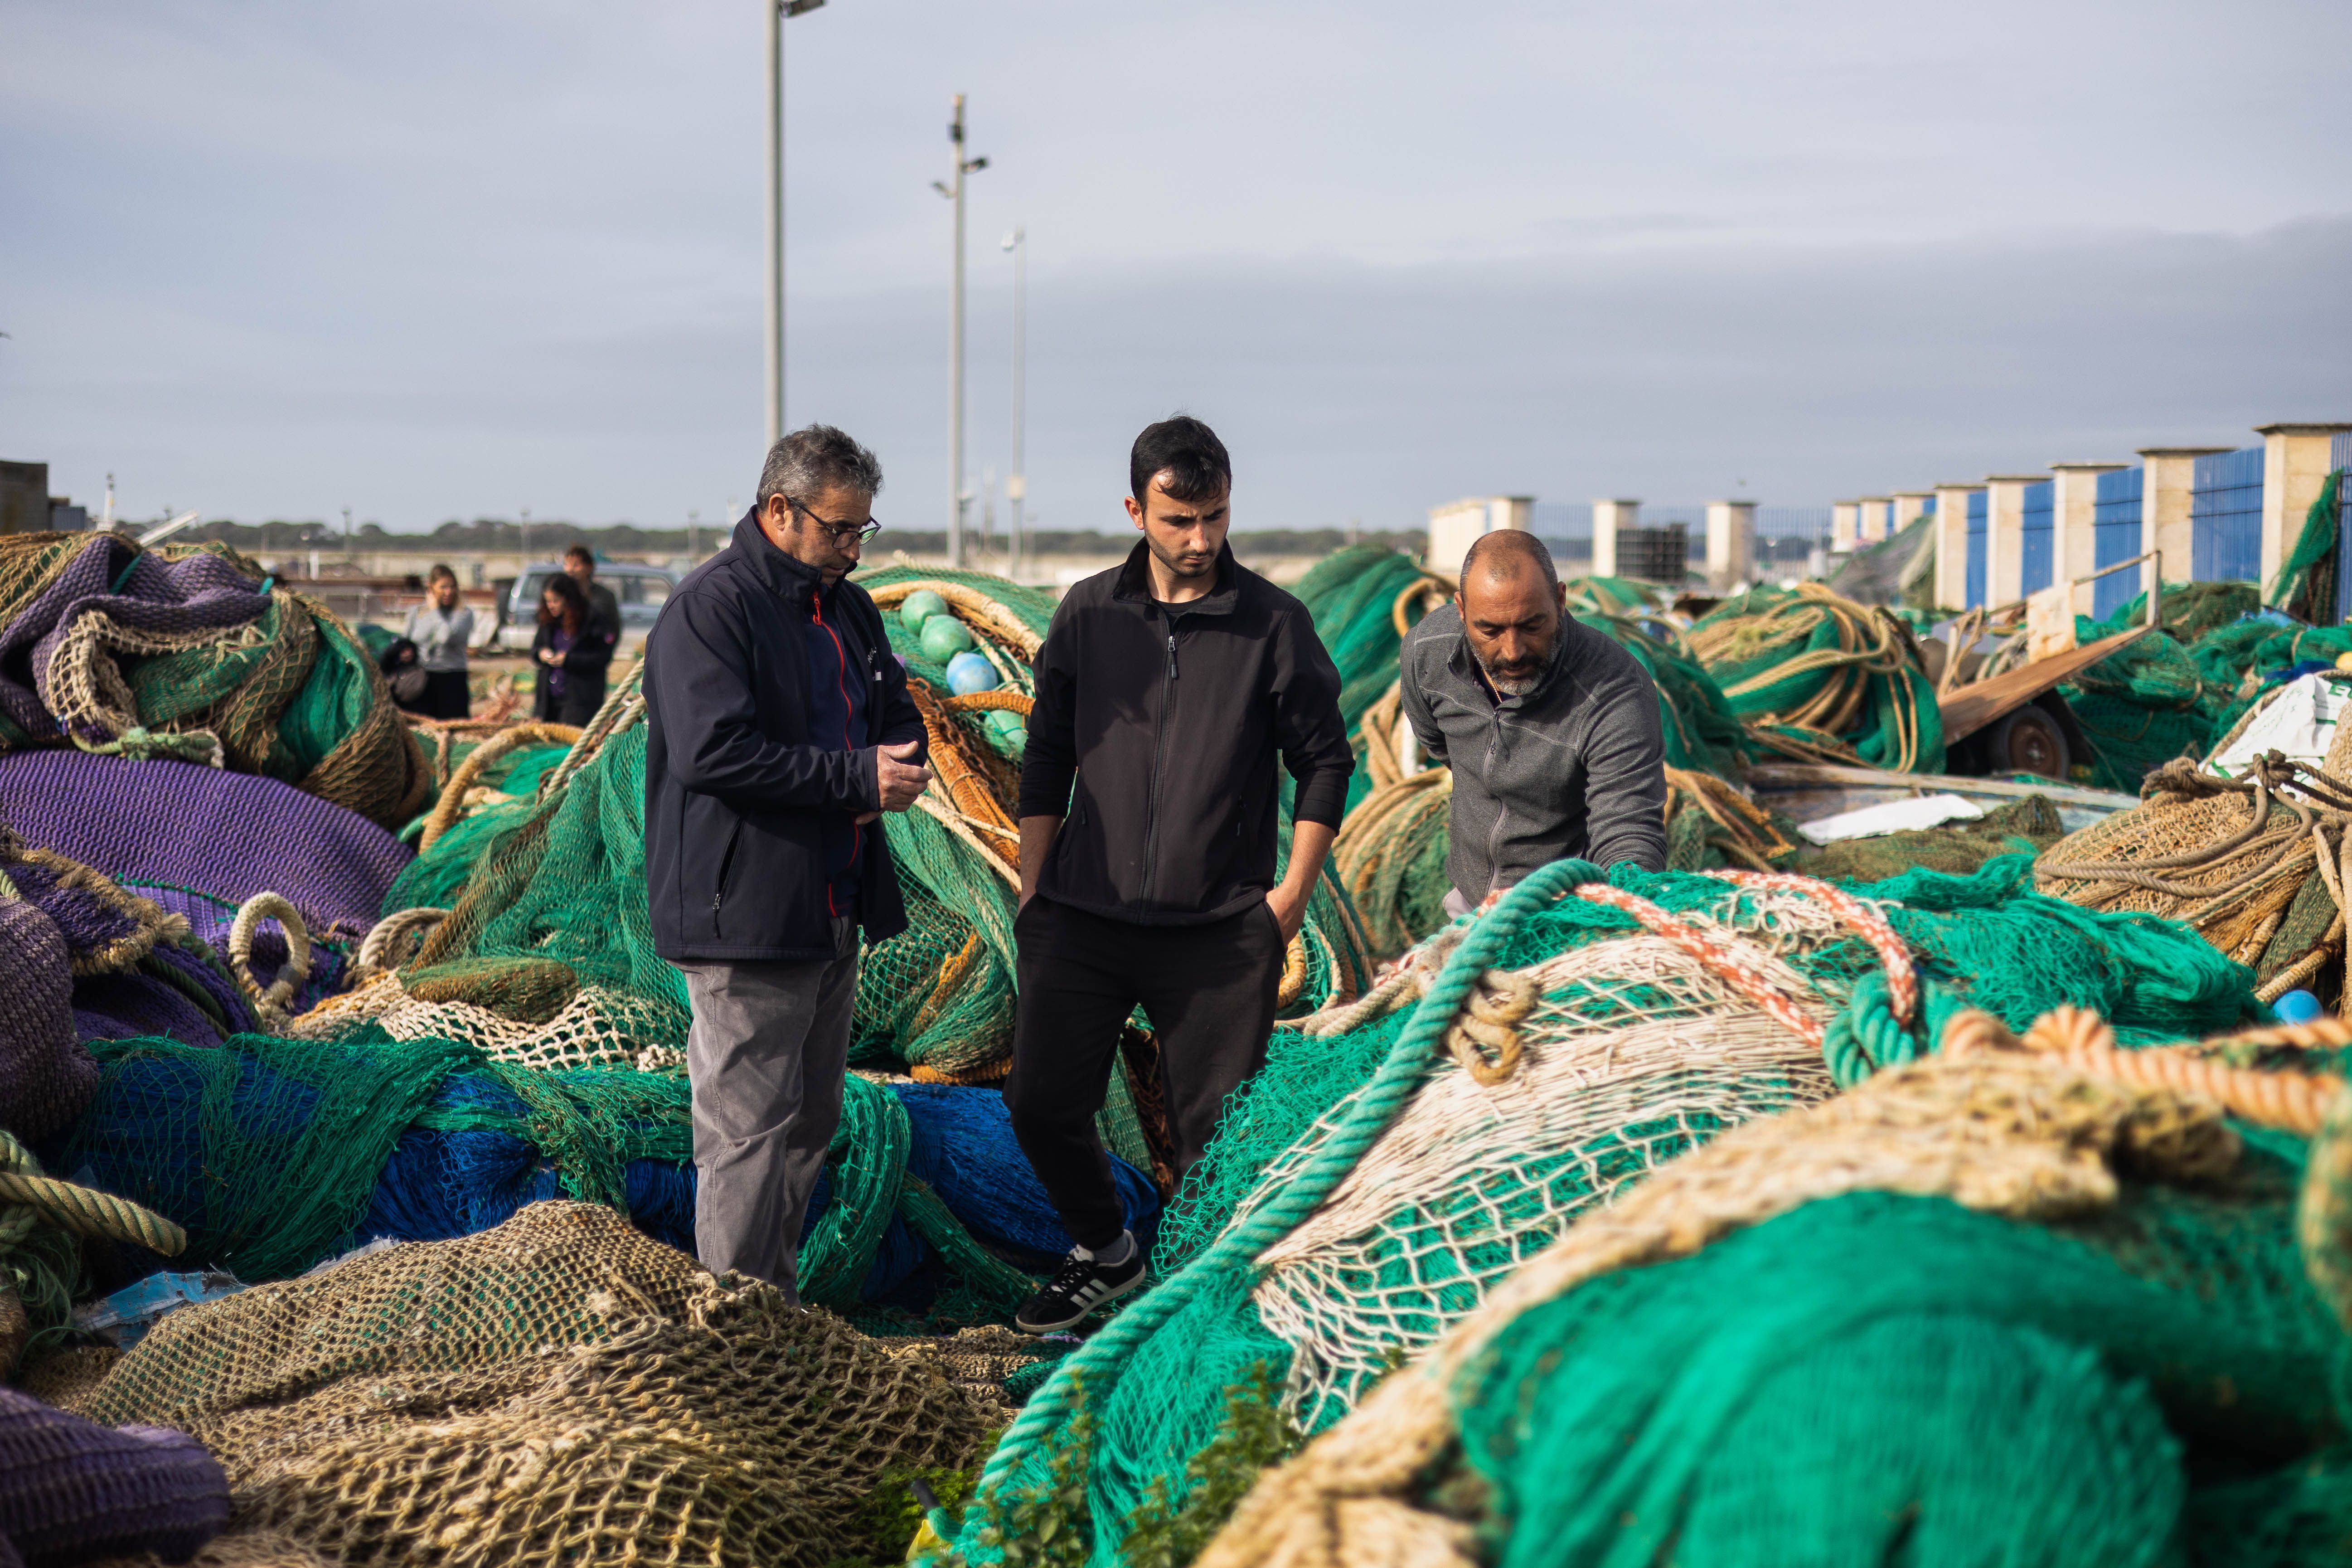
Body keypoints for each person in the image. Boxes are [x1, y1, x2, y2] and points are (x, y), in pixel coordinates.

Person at [1003, 415, 1353, 1334]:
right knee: (1038, 1102)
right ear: (1134, 510)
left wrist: (1291, 896)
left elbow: (1324, 761)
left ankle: (1198, 1322)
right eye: (1177, 520)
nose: (1199, 541)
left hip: (1216, 931)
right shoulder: (1085, 612)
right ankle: (1108, 1252)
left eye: (1214, 517)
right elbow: (1045, 754)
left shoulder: (1274, 623)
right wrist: (1033, 885)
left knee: (1216, 1145)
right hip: (1080, 913)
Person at [640, 424, 934, 1301]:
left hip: (830, 903)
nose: (852, 548)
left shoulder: (847, 607)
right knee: (743, 1133)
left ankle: (773, 1304)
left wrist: (901, 750)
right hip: (747, 916)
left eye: (862, 531)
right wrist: (856, 775)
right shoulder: (711, 608)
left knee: (809, 1121)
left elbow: (889, 702)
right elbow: (713, 753)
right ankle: (733, 1326)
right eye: (840, 529)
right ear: (779, 509)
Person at [1399, 530, 1667, 915]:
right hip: (1469, 902)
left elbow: (1627, 829)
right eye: (1489, 630)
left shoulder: (1614, 691)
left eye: (1531, 625)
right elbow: (1437, 743)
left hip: (1569, 912)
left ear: (1559, 600)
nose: (1512, 651)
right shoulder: (1426, 652)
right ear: (1460, 609)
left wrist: (1618, 914)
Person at [531, 573, 616, 724]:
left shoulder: (592, 620)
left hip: (579, 701)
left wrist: (569, 660)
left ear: (569, 599)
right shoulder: (548, 622)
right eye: (548, 601)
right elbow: (535, 648)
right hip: (549, 701)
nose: (551, 606)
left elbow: (603, 656)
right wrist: (541, 654)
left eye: (556, 601)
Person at [400, 564, 475, 719]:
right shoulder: (416, 612)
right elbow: (405, 640)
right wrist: (405, 653)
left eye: (452, 587)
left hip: (451, 680)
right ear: (431, 588)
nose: (449, 592)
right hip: (422, 680)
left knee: (452, 730)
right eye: (443, 587)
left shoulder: (463, 614)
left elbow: (445, 637)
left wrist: (434, 611)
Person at [564, 544, 621, 640]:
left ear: (589, 567)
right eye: (566, 564)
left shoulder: (605, 596)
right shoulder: (561, 594)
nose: (570, 570)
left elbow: (614, 629)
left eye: (576, 565)